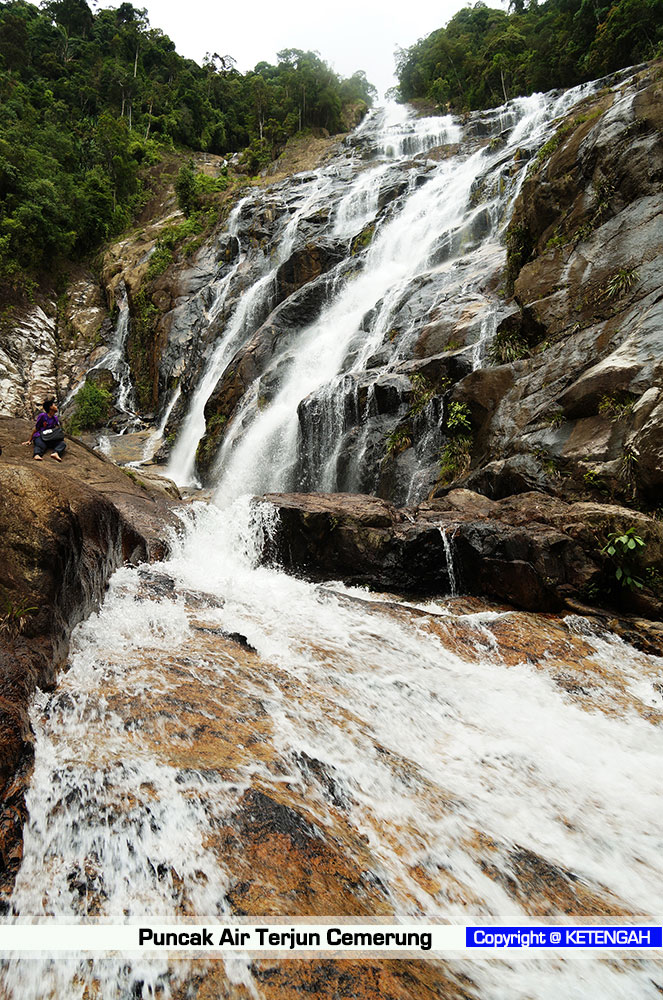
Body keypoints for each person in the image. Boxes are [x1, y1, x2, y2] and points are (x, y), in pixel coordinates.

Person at [23, 396, 67, 462]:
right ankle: (37, 454)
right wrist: (30, 440)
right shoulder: (42, 416)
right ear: (50, 407)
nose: (56, 406)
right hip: (40, 435)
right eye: (54, 405)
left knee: (62, 444)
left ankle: (55, 453)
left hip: (50, 437)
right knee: (40, 445)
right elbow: (37, 428)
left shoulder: (55, 418)